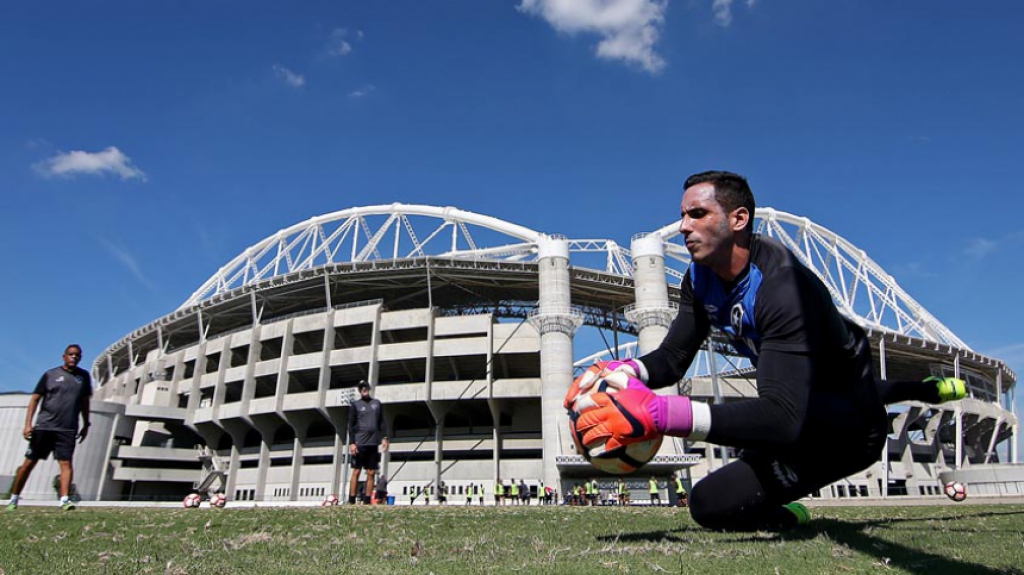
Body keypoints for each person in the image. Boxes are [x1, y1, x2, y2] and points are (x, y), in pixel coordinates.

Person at [566, 171, 966, 531]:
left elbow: (782, 418)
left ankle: (926, 390)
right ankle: (925, 391)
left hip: (844, 432)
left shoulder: (783, 287)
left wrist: (661, 415)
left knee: (847, 394)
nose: (683, 227)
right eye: (683, 215)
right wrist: (621, 371)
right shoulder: (700, 276)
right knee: (708, 506)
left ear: (738, 220)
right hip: (807, 401)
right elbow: (672, 359)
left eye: (698, 214)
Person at [7, 345, 92, 511]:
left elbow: (84, 402)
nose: (74, 357)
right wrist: (28, 424)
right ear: (64, 356)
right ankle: (14, 498)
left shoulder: (83, 377)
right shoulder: (50, 375)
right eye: (71, 354)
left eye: (77, 355)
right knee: (28, 464)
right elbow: (34, 399)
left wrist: (86, 423)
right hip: (45, 427)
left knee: (66, 463)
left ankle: (65, 500)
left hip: (67, 429)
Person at [348, 381, 388, 505]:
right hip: (360, 443)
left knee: (371, 472)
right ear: (359, 391)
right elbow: (351, 424)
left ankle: (367, 500)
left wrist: (384, 437)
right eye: (361, 388)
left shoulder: (377, 403)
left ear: (369, 389)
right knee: (356, 471)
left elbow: (381, 421)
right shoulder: (355, 405)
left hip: (373, 443)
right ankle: (352, 499)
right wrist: (352, 442)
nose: (364, 389)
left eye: (365, 387)